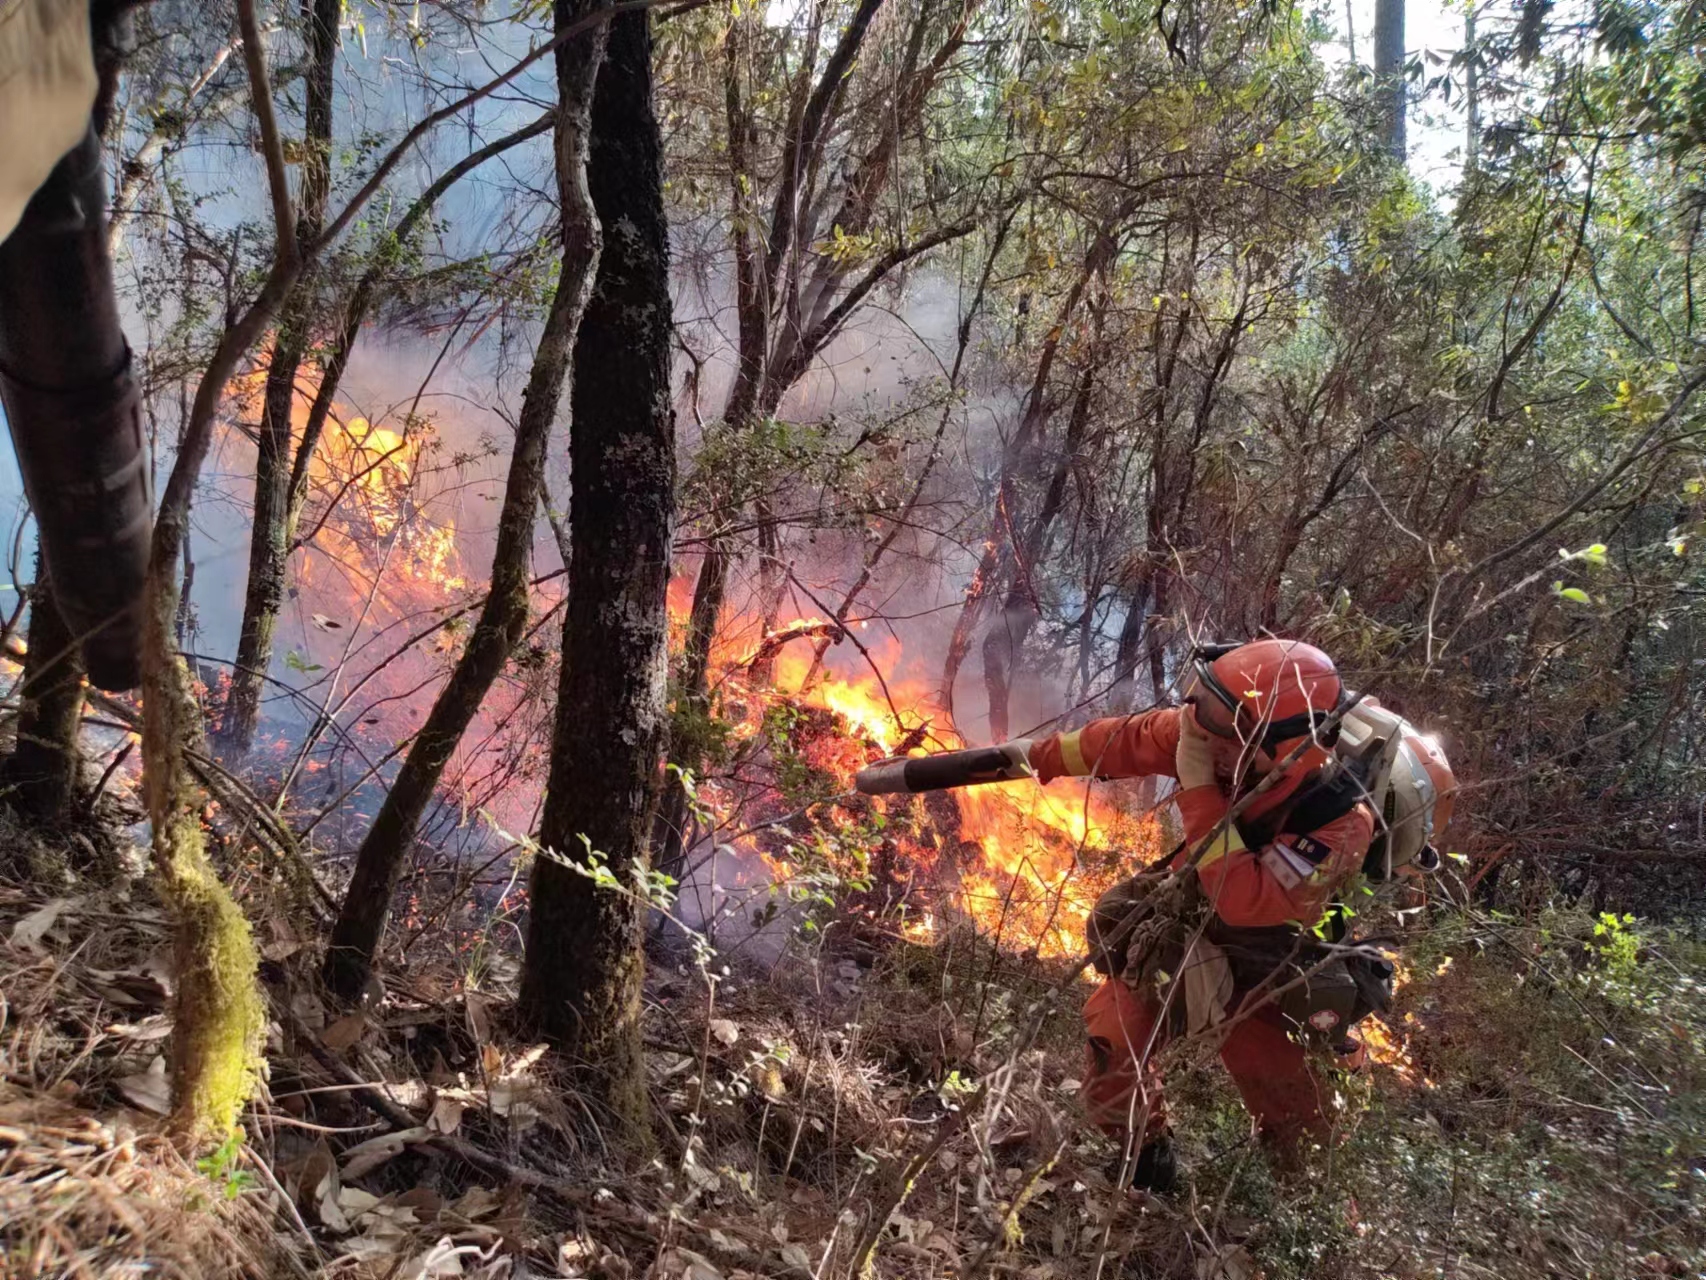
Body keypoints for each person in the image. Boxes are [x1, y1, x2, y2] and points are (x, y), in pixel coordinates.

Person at [1025, 639, 1379, 1191]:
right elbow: (1124, 741)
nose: (1204, 734)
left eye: (1225, 730)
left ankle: (1307, 1212)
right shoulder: (1211, 733)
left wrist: (1196, 785)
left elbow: (1246, 901)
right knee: (1113, 1043)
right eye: (1202, 712)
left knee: (1302, 1137)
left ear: (1290, 747)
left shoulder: (1339, 821)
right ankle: (1149, 1167)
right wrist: (1040, 756)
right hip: (1194, 931)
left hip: (1275, 966)